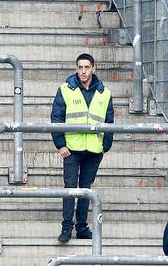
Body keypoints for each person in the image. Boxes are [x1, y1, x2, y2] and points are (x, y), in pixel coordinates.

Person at [51, 53, 114, 244]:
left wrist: (105, 146)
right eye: (80, 67)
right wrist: (61, 144)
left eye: (87, 67)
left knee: (86, 189)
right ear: (76, 69)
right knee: (70, 188)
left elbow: (109, 120)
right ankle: (66, 228)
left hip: (94, 149)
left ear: (93, 68)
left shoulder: (104, 93)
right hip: (71, 148)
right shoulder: (65, 89)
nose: (83, 71)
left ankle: (81, 227)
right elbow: (56, 118)